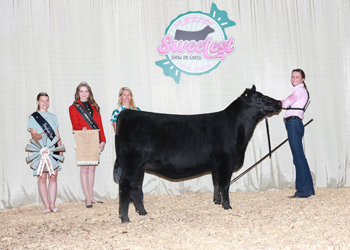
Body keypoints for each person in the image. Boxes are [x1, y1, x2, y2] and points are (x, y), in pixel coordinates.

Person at [69, 81, 106, 208]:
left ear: (89, 93)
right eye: (81, 91)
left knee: (92, 168)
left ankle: (91, 196)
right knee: (84, 168)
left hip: (94, 138)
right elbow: (75, 124)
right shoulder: (73, 107)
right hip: (83, 139)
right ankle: (87, 198)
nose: (84, 94)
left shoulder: (94, 106)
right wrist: (82, 128)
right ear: (78, 93)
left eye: (86, 91)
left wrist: (103, 140)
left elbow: (99, 124)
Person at [281, 69, 315, 198]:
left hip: (293, 124)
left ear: (302, 79)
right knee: (300, 157)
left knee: (298, 158)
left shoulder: (300, 91)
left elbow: (284, 103)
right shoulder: (299, 91)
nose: (294, 79)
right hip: (295, 124)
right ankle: (307, 189)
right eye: (292, 76)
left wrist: (267, 102)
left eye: (297, 77)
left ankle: (303, 191)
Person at [27, 92, 63, 214]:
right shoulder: (34, 117)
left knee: (53, 177)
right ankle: (46, 205)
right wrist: (42, 134)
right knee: (42, 177)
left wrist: (61, 149)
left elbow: (57, 135)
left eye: (47, 100)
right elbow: (33, 135)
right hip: (40, 150)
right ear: (37, 102)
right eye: (42, 100)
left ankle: (53, 205)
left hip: (53, 149)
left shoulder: (53, 117)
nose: (45, 103)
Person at [110, 87, 142, 202]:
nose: (127, 97)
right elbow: (117, 132)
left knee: (138, 171)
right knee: (126, 171)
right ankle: (126, 197)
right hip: (125, 146)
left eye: (129, 94)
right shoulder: (117, 112)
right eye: (124, 94)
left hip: (137, 145)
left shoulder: (137, 110)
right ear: (120, 97)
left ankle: (138, 196)